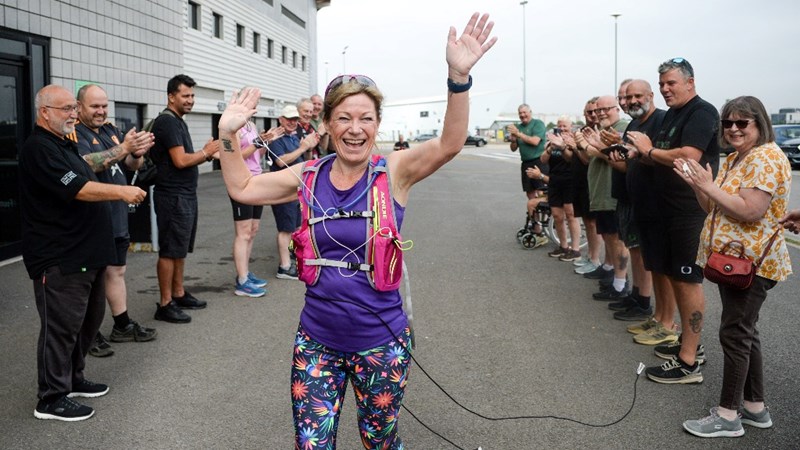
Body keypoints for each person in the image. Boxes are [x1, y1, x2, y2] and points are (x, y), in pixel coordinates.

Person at [216, 12, 495, 448]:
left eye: (366, 118)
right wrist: (227, 134)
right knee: (311, 444)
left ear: (377, 124)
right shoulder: (308, 174)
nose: (355, 128)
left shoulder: (394, 171)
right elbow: (243, 187)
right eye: (344, 118)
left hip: (381, 344)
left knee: (379, 442)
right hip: (317, 343)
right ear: (327, 124)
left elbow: (449, 144)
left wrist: (458, 79)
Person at [20, 85, 147, 421]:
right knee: (60, 329)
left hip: (87, 254)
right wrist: (121, 192)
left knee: (85, 324)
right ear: (44, 112)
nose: (73, 115)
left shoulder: (64, 143)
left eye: (74, 109)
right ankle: (51, 397)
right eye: (66, 109)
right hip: (60, 257)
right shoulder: (39, 148)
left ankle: (73, 379)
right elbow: (77, 188)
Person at [676, 96, 791, 437]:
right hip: (732, 262)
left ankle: (728, 415)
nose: (734, 129)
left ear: (760, 123)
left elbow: (750, 210)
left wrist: (708, 186)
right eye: (728, 122)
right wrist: (700, 186)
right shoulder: (736, 157)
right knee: (745, 332)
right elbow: (713, 207)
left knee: (735, 334)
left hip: (751, 263)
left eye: (743, 122)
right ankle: (755, 408)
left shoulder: (765, 157)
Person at [629, 58, 720, 382]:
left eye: (671, 83)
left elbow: (687, 157)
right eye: (662, 84)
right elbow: (663, 156)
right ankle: (688, 344)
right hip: (665, 210)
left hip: (688, 211)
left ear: (690, 82)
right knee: (674, 277)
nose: (665, 89)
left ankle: (689, 363)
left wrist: (649, 152)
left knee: (687, 280)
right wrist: (641, 154)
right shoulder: (673, 115)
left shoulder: (702, 112)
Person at [70, 84, 158, 356]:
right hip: (92, 220)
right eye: (95, 106)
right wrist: (124, 147)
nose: (101, 111)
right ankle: (88, 333)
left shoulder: (110, 130)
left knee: (116, 272)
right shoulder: (75, 132)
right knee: (91, 279)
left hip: (117, 217)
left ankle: (122, 325)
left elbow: (130, 165)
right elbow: (88, 164)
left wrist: (137, 153)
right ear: (79, 107)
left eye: (104, 106)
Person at [150, 74, 219, 323]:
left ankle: (178, 293)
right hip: (172, 196)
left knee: (179, 248)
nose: (190, 100)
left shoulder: (178, 121)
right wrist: (205, 152)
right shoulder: (167, 122)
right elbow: (180, 161)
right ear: (171, 97)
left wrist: (205, 154)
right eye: (185, 95)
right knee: (169, 250)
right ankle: (165, 303)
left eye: (192, 95)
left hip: (184, 195)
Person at [580, 95, 630, 300]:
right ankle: (614, 277)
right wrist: (588, 146)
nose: (600, 114)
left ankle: (620, 284)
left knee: (616, 239)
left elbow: (618, 156)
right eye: (597, 110)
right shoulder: (604, 130)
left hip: (612, 193)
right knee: (609, 236)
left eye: (605, 109)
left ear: (617, 108)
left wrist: (593, 147)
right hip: (601, 192)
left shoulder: (622, 127)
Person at [229, 121, 284, 297]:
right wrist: (257, 143)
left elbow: (256, 154)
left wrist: (266, 142)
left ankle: (245, 273)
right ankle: (242, 281)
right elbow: (236, 157)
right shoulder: (233, 126)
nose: (254, 109)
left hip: (256, 179)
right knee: (243, 232)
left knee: (253, 230)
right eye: (252, 107)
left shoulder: (251, 125)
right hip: (241, 182)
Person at [269, 104, 319, 279]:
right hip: (282, 190)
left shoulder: (293, 137)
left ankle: (292, 259)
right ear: (280, 119)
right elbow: (281, 161)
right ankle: (284, 267)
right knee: (285, 228)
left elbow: (302, 160)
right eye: (288, 119)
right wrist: (303, 148)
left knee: (296, 226)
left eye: (295, 119)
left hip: (295, 189)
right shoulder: (275, 139)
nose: (292, 122)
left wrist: (308, 147)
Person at [539, 117, 582, 262]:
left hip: (570, 180)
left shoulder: (573, 140)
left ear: (571, 127)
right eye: (560, 126)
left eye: (565, 126)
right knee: (557, 215)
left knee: (571, 214)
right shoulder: (551, 141)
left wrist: (563, 145)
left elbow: (570, 158)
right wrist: (551, 147)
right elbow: (543, 160)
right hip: (554, 181)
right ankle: (563, 246)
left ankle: (575, 249)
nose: (562, 129)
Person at [508, 103, 548, 239]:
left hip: (539, 162)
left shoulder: (538, 124)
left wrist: (518, 134)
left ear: (530, 112)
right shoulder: (518, 127)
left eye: (525, 112)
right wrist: (514, 140)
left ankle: (544, 224)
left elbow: (535, 141)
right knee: (530, 194)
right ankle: (536, 226)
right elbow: (513, 148)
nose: (522, 115)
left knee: (541, 194)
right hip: (525, 163)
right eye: (520, 113)